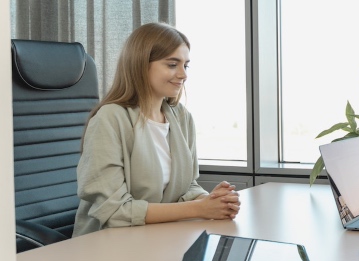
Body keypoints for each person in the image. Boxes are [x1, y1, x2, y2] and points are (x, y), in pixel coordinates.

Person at [73, 22, 240, 237]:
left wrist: (212, 201)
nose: (183, 74)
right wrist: (200, 209)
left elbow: (187, 187)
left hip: (158, 238)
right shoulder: (110, 119)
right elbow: (114, 211)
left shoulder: (181, 117)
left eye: (185, 66)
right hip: (108, 246)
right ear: (141, 65)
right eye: (172, 65)